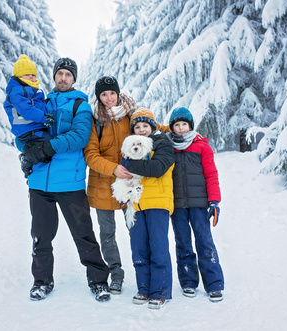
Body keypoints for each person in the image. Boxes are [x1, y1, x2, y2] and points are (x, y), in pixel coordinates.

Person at [17, 57, 111, 302]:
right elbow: (22, 133)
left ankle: (99, 281)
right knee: (41, 236)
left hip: (70, 183)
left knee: (84, 235)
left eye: (68, 74)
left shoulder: (80, 105)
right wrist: (27, 151)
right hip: (39, 184)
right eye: (60, 73)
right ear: (54, 77)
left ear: (74, 79)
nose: (63, 78)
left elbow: (79, 137)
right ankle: (42, 282)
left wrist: (45, 148)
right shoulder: (40, 102)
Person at [83, 76, 136, 295]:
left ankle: (144, 271)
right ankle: (116, 274)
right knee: (107, 234)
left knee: (137, 230)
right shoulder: (94, 119)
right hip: (102, 185)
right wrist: (113, 168)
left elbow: (148, 130)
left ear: (118, 93)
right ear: (98, 97)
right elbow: (90, 154)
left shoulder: (130, 114)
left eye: (112, 93)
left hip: (129, 184)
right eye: (103, 94)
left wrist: (174, 130)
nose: (108, 98)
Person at [166, 106, 225, 302]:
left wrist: (214, 201)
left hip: (199, 204)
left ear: (190, 125)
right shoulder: (168, 148)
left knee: (204, 241)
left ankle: (214, 284)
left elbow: (211, 174)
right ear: (172, 127)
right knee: (183, 243)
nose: (181, 128)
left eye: (184, 124)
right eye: (177, 124)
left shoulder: (202, 147)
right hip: (177, 205)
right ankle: (188, 281)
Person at [121, 107, 175, 310]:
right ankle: (143, 288)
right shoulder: (131, 146)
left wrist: (127, 165)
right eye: (137, 126)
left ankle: (160, 291)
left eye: (145, 125)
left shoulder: (163, 143)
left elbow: (157, 169)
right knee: (139, 248)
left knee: (158, 248)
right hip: (136, 203)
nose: (142, 129)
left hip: (158, 203)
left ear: (152, 127)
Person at [3, 54, 55, 177]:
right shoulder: (17, 91)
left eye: (33, 75)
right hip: (28, 129)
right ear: (19, 76)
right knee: (50, 144)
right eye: (27, 74)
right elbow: (26, 110)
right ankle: (27, 159)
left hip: (33, 128)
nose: (31, 77)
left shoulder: (29, 90)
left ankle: (31, 167)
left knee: (45, 154)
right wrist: (44, 118)